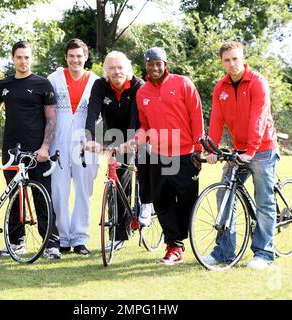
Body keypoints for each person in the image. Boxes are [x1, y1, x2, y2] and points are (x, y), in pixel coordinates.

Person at [0, 40, 62, 259]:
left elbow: (51, 119)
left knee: (42, 196)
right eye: (19, 57)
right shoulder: (4, 84)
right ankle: (16, 243)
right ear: (13, 58)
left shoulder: (43, 84)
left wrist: (45, 147)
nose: (23, 61)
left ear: (31, 58)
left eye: (27, 57)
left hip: (37, 152)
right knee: (14, 196)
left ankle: (51, 244)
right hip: (11, 150)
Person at [125, 47, 204, 266]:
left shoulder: (183, 83)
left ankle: (178, 239)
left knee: (188, 203)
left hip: (185, 154)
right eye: (151, 64)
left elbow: (196, 116)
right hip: (158, 156)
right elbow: (144, 126)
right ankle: (174, 245)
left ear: (165, 64)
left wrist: (199, 148)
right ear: (146, 66)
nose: (155, 68)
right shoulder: (142, 93)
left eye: (158, 64)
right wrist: (136, 140)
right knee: (162, 203)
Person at [205, 41, 279, 269]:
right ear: (221, 62)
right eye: (227, 60)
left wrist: (251, 151)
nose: (232, 64)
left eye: (235, 59)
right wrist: (210, 149)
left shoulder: (257, 83)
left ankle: (264, 254)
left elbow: (259, 118)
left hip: (263, 148)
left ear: (242, 58)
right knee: (224, 195)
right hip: (240, 149)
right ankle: (224, 251)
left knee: (264, 200)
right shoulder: (220, 87)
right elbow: (216, 121)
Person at [85, 50, 153, 252]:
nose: (116, 72)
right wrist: (89, 138)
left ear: (128, 69)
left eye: (120, 67)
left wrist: (131, 141)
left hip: (138, 132)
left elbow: (136, 115)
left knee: (146, 159)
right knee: (117, 184)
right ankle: (118, 235)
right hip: (113, 136)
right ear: (106, 71)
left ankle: (147, 203)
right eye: (112, 68)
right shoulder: (100, 85)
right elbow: (93, 111)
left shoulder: (137, 85)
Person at [47, 38, 99, 255]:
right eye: (71, 56)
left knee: (83, 191)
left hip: (84, 144)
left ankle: (79, 238)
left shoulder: (95, 81)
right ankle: (62, 238)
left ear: (86, 57)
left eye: (79, 56)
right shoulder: (53, 79)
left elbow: (100, 114)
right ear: (65, 58)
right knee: (58, 191)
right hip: (58, 143)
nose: (75, 60)